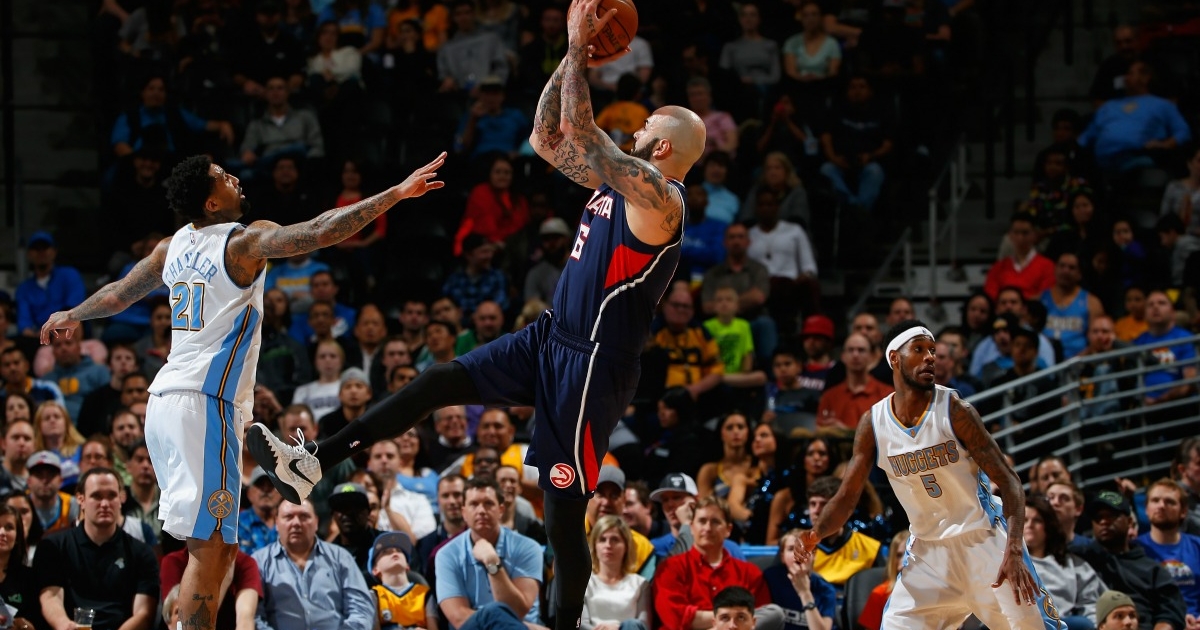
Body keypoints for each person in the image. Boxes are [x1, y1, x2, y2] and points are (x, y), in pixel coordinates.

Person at [247, 2, 707, 629]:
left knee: (562, 510)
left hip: (594, 364)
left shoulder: (660, 199)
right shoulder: (618, 184)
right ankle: (312, 463)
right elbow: (547, 137)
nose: (636, 126)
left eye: (647, 124)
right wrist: (570, 54)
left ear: (663, 144)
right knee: (439, 380)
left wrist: (578, 45)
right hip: (551, 336)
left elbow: (586, 134)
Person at [39, 151, 447, 630]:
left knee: (220, 544)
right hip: (204, 403)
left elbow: (120, 293)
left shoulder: (171, 247)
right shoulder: (242, 242)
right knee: (210, 546)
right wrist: (395, 194)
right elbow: (320, 230)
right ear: (211, 203)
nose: (233, 176)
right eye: (221, 176)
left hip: (167, 402)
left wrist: (74, 314)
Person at [795, 320, 1060, 628]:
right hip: (928, 553)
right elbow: (847, 495)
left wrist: (1013, 548)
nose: (930, 357)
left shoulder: (955, 410)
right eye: (919, 350)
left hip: (985, 542)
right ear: (895, 358)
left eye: (932, 350)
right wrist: (815, 534)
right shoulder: (874, 423)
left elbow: (1010, 482)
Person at [32, 467, 159, 630]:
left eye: (112, 496)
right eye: (96, 496)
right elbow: (50, 597)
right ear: (81, 499)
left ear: (121, 498)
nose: (105, 504)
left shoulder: (141, 553)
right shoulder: (54, 546)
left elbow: (143, 613)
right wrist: (65, 625)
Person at [653, 496, 783, 630]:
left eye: (715, 522)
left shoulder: (749, 573)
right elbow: (675, 617)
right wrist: (733, 620)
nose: (708, 528)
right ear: (691, 527)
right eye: (702, 521)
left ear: (728, 530)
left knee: (773, 613)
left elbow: (760, 619)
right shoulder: (670, 568)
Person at [434, 476, 545, 629]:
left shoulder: (528, 548)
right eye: (474, 504)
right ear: (464, 513)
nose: (481, 511)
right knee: (494, 612)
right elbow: (459, 619)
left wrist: (492, 563)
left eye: (488, 503)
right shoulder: (446, 555)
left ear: (501, 510)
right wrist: (495, 620)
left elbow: (517, 611)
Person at [253, 499, 375, 630]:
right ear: (276, 523)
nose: (296, 523)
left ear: (316, 522)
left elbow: (361, 609)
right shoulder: (259, 562)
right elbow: (254, 616)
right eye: (288, 517)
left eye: (304, 516)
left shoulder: (341, 558)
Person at [1024, 494, 1106, 630]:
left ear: (1048, 526)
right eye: (1024, 520)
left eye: (1037, 520)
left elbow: (1091, 604)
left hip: (1065, 624)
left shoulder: (1072, 564)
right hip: (1025, 624)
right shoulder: (1008, 563)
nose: (1030, 525)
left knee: (1083, 624)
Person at [1134, 479, 1200, 624]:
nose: (1161, 506)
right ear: (1146, 509)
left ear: (1183, 512)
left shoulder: (1197, 546)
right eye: (1155, 500)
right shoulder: (1135, 550)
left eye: (1169, 502)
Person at [582, 515, 651, 630]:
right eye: (602, 540)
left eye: (615, 540)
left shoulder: (640, 584)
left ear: (626, 546)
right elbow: (581, 624)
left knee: (632, 624)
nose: (608, 545)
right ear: (594, 545)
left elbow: (644, 625)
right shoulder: (583, 583)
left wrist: (618, 627)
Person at [764, 528, 836, 630]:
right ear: (782, 556)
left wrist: (805, 593)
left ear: (814, 555)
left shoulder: (826, 590)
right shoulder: (770, 578)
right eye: (791, 549)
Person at [368, 530, 436, 629]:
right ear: (375, 569)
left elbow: (434, 627)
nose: (394, 552)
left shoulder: (424, 594)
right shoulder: (374, 595)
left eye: (399, 550)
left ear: (407, 565)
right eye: (385, 552)